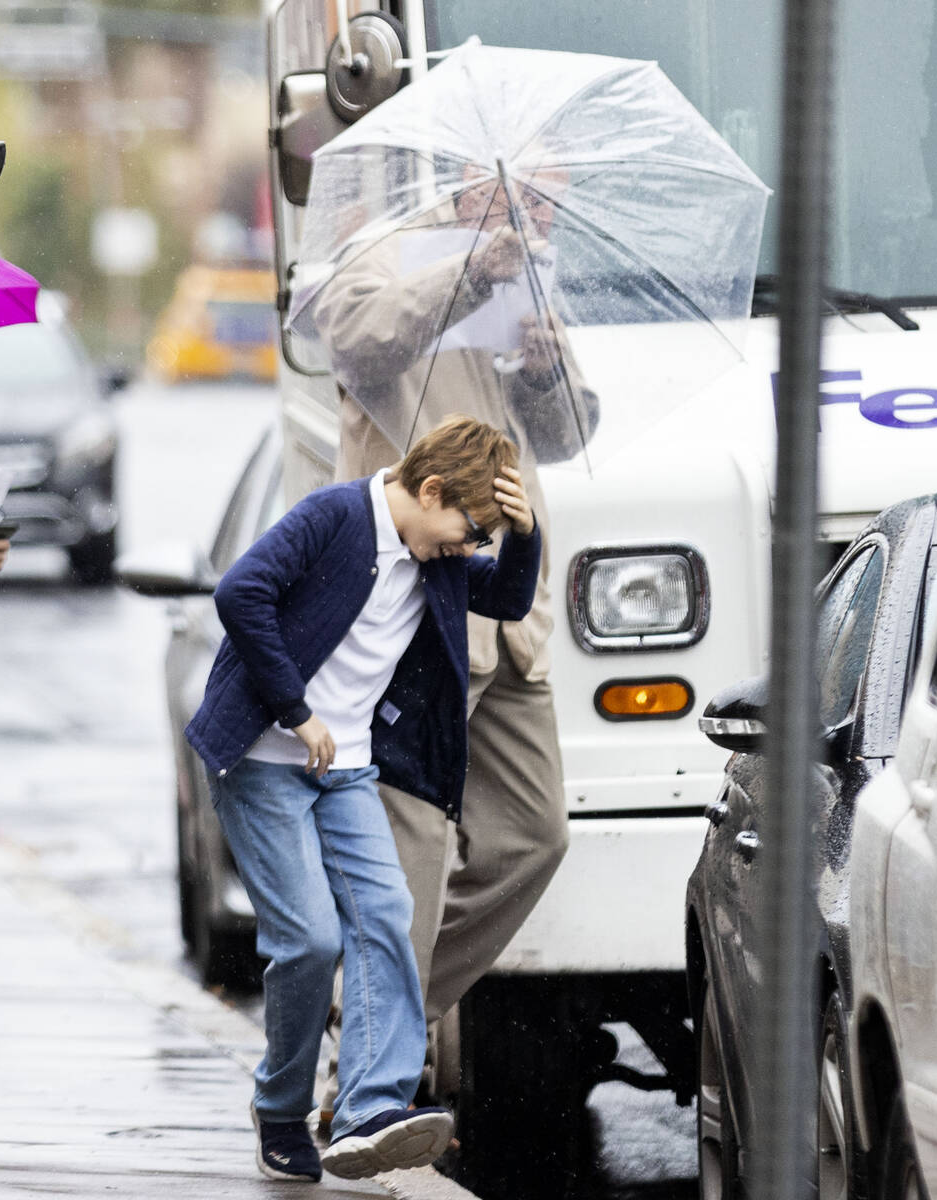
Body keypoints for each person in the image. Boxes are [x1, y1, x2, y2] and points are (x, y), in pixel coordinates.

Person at [184, 415, 541, 1183]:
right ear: (432, 488)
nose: (467, 548)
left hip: (345, 770)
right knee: (310, 942)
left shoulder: (435, 559)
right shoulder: (337, 516)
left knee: (385, 916)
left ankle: (369, 1109)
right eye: (467, 529)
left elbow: (509, 600)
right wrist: (295, 709)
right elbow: (240, 592)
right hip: (263, 759)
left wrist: (524, 530)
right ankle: (279, 1109)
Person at [311, 163, 596, 1097]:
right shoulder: (382, 251)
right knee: (417, 858)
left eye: (554, 201)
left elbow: (565, 435)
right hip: (417, 611)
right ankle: (371, 1075)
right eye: (531, 195)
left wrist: (550, 372)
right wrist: (472, 271)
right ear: (478, 181)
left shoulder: (532, 277)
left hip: (513, 610)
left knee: (532, 840)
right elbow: (355, 337)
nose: (543, 215)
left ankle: (376, 1021)